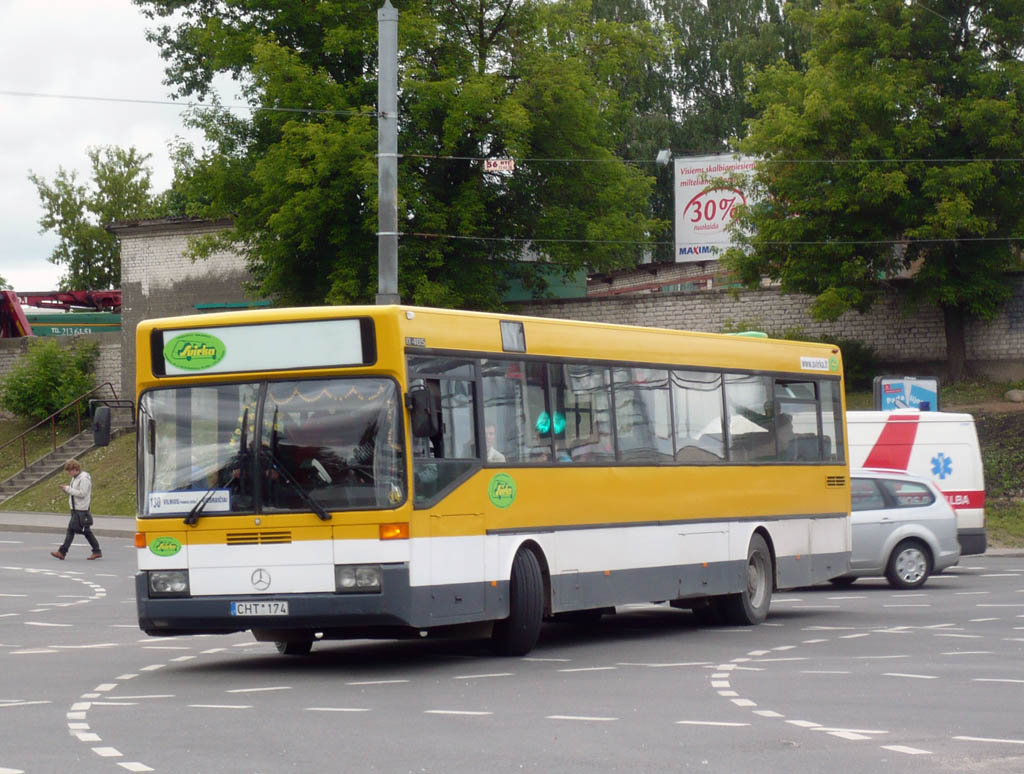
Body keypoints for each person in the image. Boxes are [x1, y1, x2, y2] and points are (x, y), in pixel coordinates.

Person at [50, 459, 102, 561]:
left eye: (70, 471)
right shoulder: (76, 478)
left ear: (75, 469)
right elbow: (76, 492)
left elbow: (82, 493)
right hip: (76, 508)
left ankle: (62, 552)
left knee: (71, 530)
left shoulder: (84, 479)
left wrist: (68, 489)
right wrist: (67, 490)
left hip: (81, 509)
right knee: (85, 531)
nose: (69, 473)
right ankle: (97, 551)